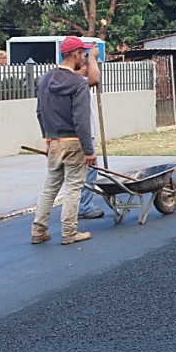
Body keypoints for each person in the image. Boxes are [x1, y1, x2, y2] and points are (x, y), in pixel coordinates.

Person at [31, 36, 98, 245]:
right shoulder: (78, 83)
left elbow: (40, 112)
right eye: (84, 55)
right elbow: (81, 120)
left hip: (55, 141)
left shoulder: (44, 80)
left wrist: (48, 137)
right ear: (76, 54)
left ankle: (38, 230)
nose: (84, 59)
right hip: (73, 142)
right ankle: (69, 232)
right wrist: (89, 150)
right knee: (73, 188)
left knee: (50, 187)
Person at [78, 42, 104, 219]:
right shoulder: (78, 82)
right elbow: (95, 79)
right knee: (89, 170)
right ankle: (84, 206)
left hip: (67, 137)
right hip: (82, 135)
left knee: (77, 174)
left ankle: (79, 207)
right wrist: (92, 58)